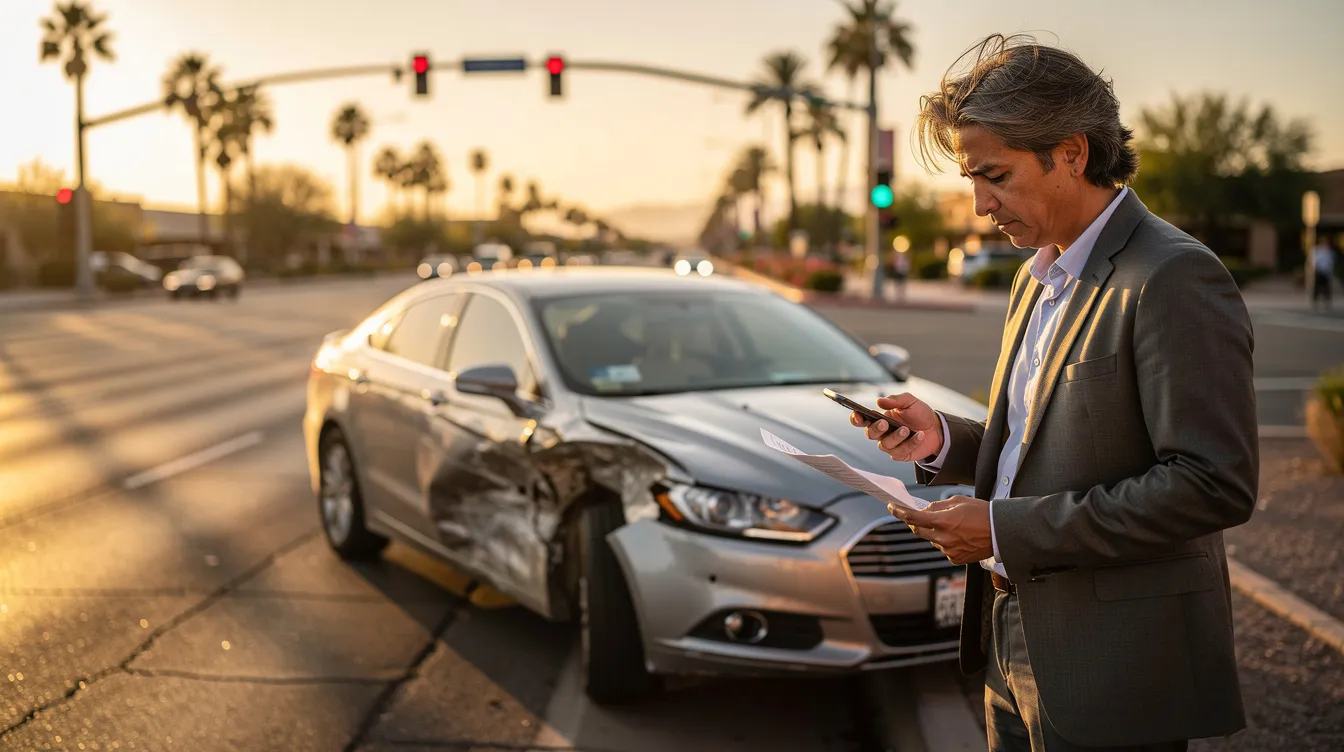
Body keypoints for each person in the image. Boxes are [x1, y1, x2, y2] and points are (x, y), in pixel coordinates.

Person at [851, 34, 1257, 751]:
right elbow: (1038, 450)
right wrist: (942, 440)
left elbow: (1210, 485)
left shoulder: (1172, 277)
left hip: (1114, 666)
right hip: (1007, 643)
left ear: (1070, 153)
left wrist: (1004, 530)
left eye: (995, 176)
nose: (979, 205)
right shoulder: (1033, 276)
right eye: (971, 179)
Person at [1310, 235, 1335, 311]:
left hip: (1326, 272)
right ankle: (1315, 301)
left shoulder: (1328, 251)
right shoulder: (1316, 251)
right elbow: (1313, 260)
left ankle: (1327, 301)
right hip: (1319, 271)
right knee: (1317, 287)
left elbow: (1331, 262)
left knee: (1326, 287)